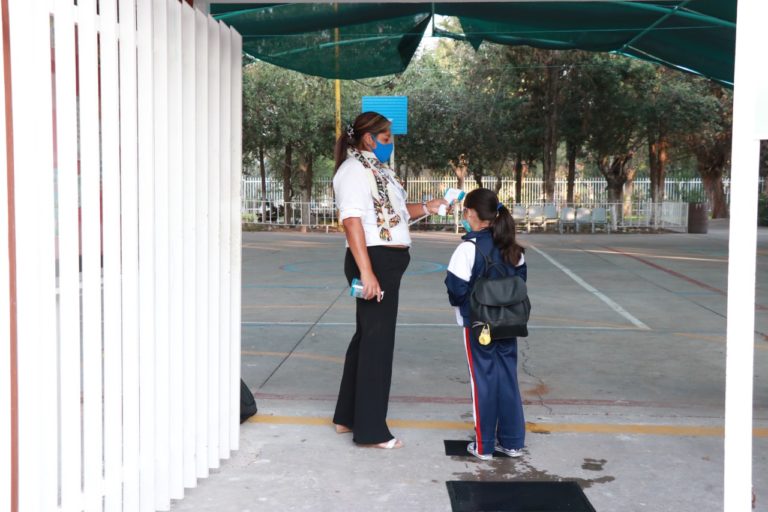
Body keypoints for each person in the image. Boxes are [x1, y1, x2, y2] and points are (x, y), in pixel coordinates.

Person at [332, 112, 447, 449]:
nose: (390, 144)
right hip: (373, 261)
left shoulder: (378, 170)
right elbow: (352, 222)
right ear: (369, 139)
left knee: (367, 339)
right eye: (385, 139)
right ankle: (370, 431)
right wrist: (366, 272)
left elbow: (396, 214)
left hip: (385, 262)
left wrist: (429, 207)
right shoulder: (353, 171)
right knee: (377, 344)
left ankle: (347, 416)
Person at [444, 188, 527, 460]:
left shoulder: (468, 249)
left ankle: (484, 445)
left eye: (465, 212)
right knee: (507, 378)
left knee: (483, 381)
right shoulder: (513, 248)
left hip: (479, 325)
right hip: (509, 323)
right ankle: (512, 442)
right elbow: (520, 284)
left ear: (471, 213)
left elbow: (456, 290)